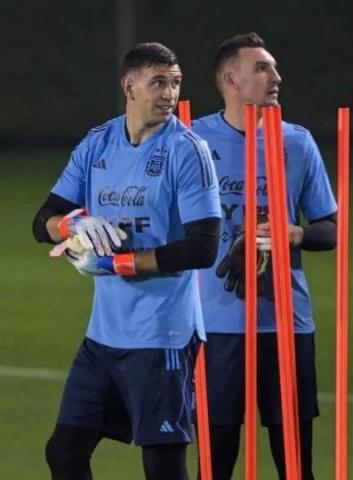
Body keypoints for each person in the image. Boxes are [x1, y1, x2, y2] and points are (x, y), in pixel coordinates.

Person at [32, 42, 222, 480]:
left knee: (163, 465)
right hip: (104, 335)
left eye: (175, 83)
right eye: (158, 82)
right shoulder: (98, 142)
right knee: (64, 452)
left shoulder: (187, 152)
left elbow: (202, 248)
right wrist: (74, 225)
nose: (169, 93)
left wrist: (118, 263)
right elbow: (42, 219)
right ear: (129, 86)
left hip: (162, 335)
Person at [192, 32, 337, 480]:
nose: (276, 77)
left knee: (297, 466)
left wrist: (294, 233)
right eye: (263, 68)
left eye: (273, 68)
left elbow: (330, 230)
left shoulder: (296, 142)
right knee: (214, 465)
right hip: (215, 326)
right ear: (231, 79)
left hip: (286, 323)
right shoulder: (192, 141)